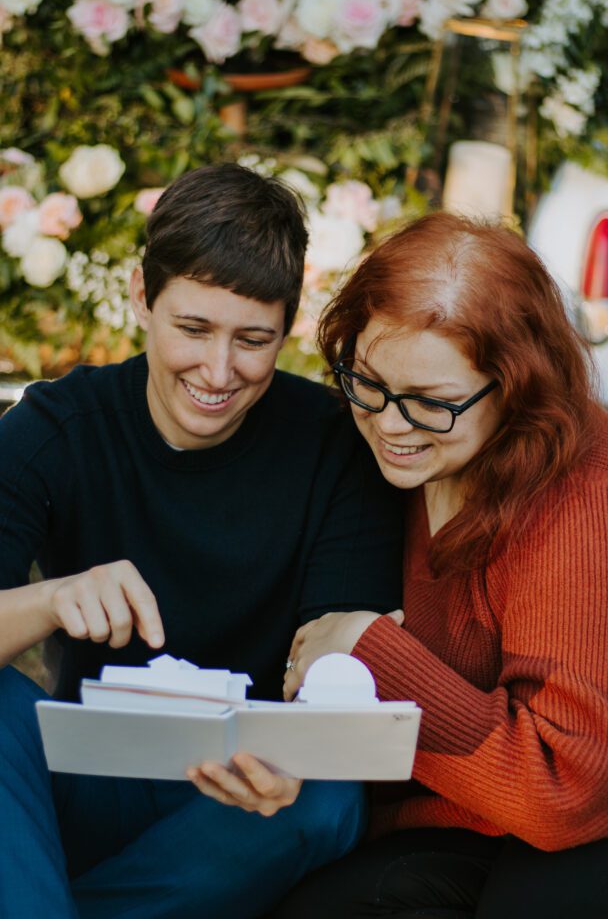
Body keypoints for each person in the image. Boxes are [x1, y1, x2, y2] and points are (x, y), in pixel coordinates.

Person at [0, 163, 404, 919]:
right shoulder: (58, 427)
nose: (217, 372)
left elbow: (344, 653)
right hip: (93, 773)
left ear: (287, 327)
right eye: (192, 329)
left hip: (249, 789)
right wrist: (53, 598)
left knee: (328, 795)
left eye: (253, 340)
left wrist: (308, 749)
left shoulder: (332, 445)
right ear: (140, 297)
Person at [272, 212, 608, 919]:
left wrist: (367, 651)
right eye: (365, 381)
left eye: (431, 403)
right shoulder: (398, 456)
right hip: (482, 808)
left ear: (518, 388)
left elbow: (573, 787)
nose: (390, 424)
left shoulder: (591, 503)